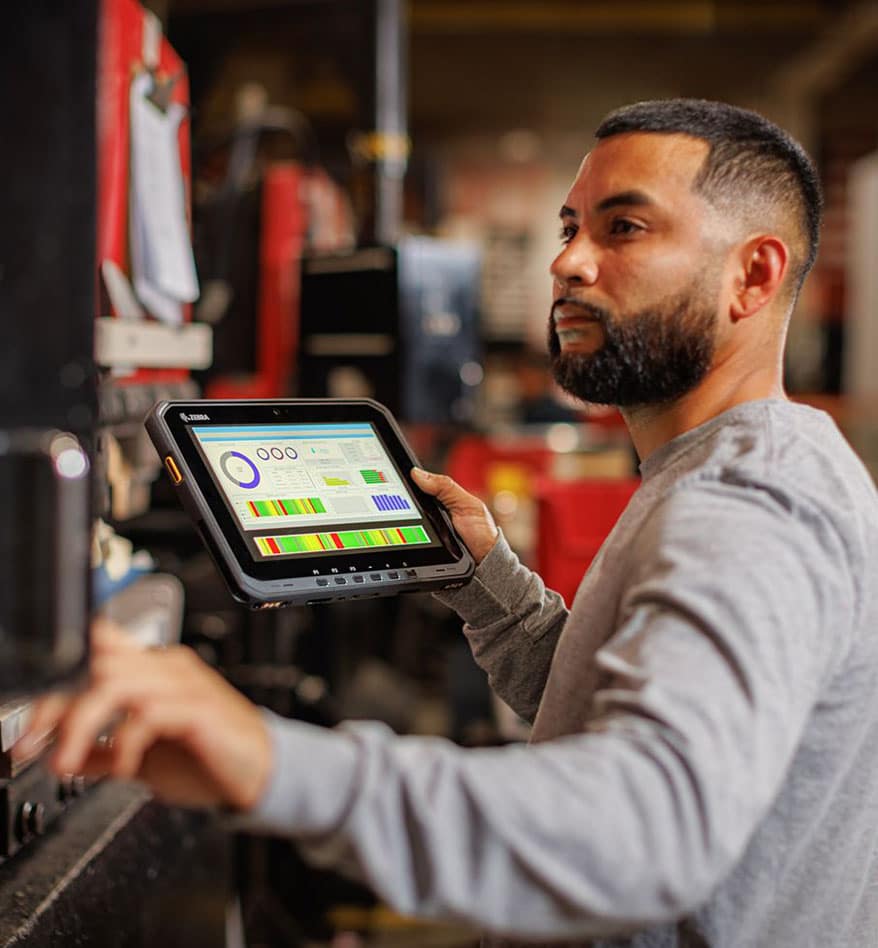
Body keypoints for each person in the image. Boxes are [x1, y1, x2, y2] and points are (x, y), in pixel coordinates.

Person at [17, 99, 878, 946]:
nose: (568, 262)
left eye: (623, 228)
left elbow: (647, 830)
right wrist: (485, 580)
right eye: (569, 227)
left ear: (753, 276)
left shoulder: (749, 502)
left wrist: (262, 757)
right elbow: (592, 711)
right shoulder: (713, 469)